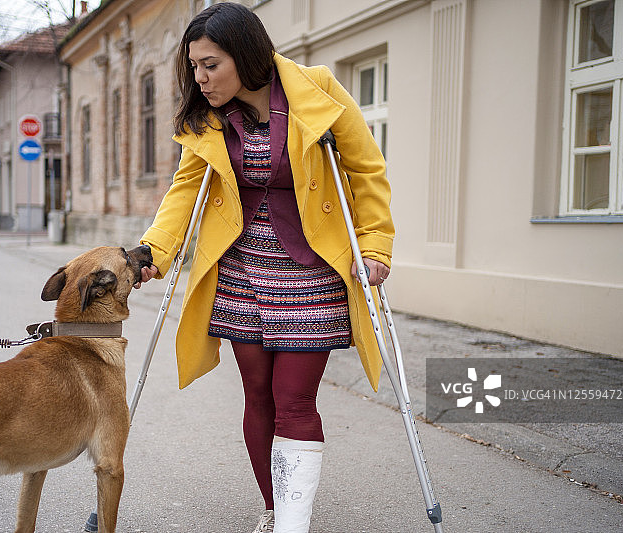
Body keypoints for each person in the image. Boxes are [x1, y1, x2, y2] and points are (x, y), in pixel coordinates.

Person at [136, 3, 393, 532]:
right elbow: (187, 189)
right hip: (238, 275)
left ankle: (293, 526)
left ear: (245, 55)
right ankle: (276, 511)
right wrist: (154, 253)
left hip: (311, 273)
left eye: (210, 65)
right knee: (258, 395)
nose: (200, 78)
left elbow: (365, 168)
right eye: (194, 67)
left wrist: (375, 245)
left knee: (294, 399)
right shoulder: (210, 118)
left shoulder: (314, 89)